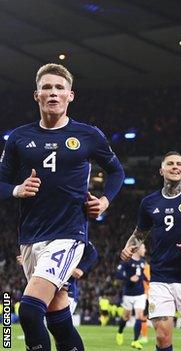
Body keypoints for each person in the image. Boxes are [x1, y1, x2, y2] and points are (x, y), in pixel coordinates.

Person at [0, 63, 124, 351]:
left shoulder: (88, 135)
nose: (53, 93)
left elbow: (117, 172)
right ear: (36, 95)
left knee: (30, 312)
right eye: (47, 87)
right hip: (30, 237)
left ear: (70, 95)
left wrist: (104, 201)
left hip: (69, 233)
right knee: (59, 319)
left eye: (59, 88)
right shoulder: (19, 137)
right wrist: (17, 189)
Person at [120, 151, 181, 351]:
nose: (175, 167)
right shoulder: (149, 202)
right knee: (163, 337)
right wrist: (129, 246)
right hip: (160, 277)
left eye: (179, 164)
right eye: (170, 164)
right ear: (161, 170)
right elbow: (139, 234)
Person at [116, 243, 148, 349]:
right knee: (126, 317)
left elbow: (141, 275)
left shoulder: (143, 262)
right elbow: (118, 273)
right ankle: (120, 332)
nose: (145, 250)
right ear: (137, 249)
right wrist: (129, 278)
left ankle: (135, 341)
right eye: (143, 248)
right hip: (128, 293)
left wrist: (148, 280)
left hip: (140, 294)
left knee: (139, 316)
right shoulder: (127, 261)